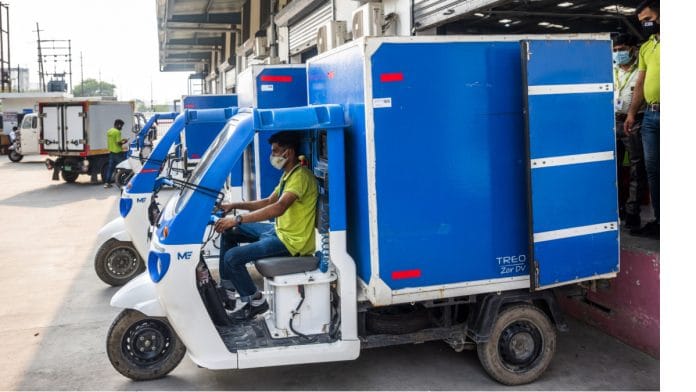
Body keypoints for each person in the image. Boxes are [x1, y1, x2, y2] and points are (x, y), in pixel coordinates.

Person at [214, 131, 318, 320]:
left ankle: (255, 301)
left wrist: (238, 219)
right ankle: (227, 290)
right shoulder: (289, 175)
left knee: (232, 258)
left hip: (292, 242)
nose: (273, 156)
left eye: (275, 151)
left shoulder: (301, 177)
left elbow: (279, 207)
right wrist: (233, 206)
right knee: (229, 232)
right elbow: (268, 202)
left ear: (289, 153)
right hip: (278, 231)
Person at [623, 0, 659, 239]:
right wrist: (632, 112)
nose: (645, 25)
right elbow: (640, 84)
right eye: (641, 22)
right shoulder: (647, 47)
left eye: (648, 19)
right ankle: (660, 220)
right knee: (653, 170)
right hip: (651, 116)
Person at [613, 33, 647, 230]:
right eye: (616, 50)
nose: (618, 54)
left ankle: (633, 213)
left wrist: (631, 115)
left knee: (636, 168)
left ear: (633, 49)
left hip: (634, 121)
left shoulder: (641, 70)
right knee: (613, 168)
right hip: (613, 121)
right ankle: (617, 210)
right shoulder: (611, 68)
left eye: (622, 49)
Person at [104, 119, 128, 188]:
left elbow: (114, 141)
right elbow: (118, 143)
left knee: (110, 168)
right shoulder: (117, 132)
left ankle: (107, 183)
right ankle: (125, 180)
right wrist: (124, 141)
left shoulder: (109, 131)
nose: (121, 128)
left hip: (111, 152)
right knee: (125, 166)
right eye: (121, 126)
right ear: (119, 125)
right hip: (118, 153)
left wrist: (121, 140)